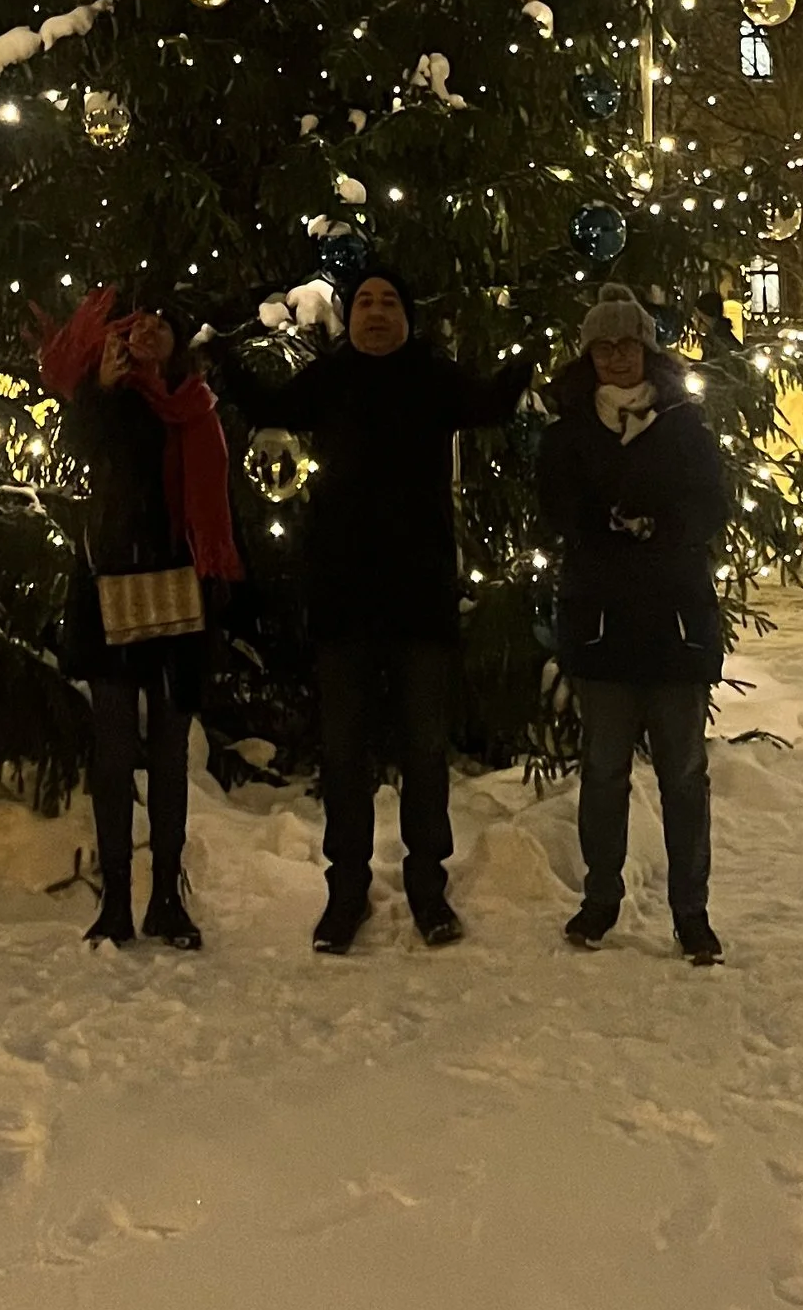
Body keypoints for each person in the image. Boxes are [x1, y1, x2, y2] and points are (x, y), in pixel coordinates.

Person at [217, 261, 530, 954]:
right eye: (366, 302)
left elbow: (490, 403)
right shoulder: (330, 378)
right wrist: (217, 353)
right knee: (346, 752)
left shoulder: (432, 375)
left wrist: (530, 352)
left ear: (407, 316)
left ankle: (427, 886)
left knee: (423, 752)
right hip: (344, 600)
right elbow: (270, 407)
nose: (378, 312)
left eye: (391, 300)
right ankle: (346, 890)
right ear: (351, 315)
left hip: (419, 599)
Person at [41, 280, 243, 950]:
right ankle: (118, 901)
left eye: (165, 323)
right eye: (142, 321)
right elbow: (82, 448)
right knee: (115, 748)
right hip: (112, 585)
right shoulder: (113, 401)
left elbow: (215, 503)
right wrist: (99, 388)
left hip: (181, 589)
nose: (151, 330)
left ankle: (165, 896)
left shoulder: (196, 408)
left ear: (180, 341)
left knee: (167, 752)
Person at [535, 287, 730, 965]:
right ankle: (599, 899)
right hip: (601, 620)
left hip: (675, 618)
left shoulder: (683, 422)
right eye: (603, 346)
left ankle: (691, 912)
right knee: (604, 769)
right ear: (588, 354)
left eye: (627, 344)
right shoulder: (568, 429)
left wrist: (664, 525)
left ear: (647, 349)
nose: (616, 357)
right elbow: (556, 505)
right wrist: (601, 523)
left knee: (683, 773)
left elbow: (712, 502)